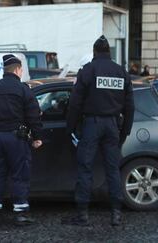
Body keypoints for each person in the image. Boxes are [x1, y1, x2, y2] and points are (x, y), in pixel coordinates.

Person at [63, 35, 135, 227]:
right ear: (109, 52)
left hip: (92, 124)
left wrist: (70, 128)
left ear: (94, 52)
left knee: (85, 168)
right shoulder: (121, 72)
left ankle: (83, 214)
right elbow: (130, 106)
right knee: (112, 169)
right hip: (113, 125)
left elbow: (75, 103)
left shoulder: (88, 70)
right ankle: (116, 214)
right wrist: (124, 132)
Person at [0, 54, 43, 226]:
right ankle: (20, 214)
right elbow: (33, 115)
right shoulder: (23, 90)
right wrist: (37, 137)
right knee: (20, 175)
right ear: (18, 70)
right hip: (17, 139)